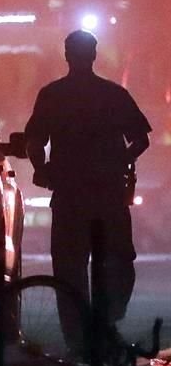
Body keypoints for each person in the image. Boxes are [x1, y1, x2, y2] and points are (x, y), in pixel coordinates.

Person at [25, 29, 151, 349]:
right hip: (107, 195)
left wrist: (42, 170)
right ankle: (106, 326)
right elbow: (141, 139)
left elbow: (34, 141)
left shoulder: (52, 95)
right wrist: (118, 161)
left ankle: (77, 337)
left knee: (69, 269)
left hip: (70, 196)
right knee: (116, 263)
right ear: (93, 54)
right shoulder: (113, 95)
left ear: (66, 54)